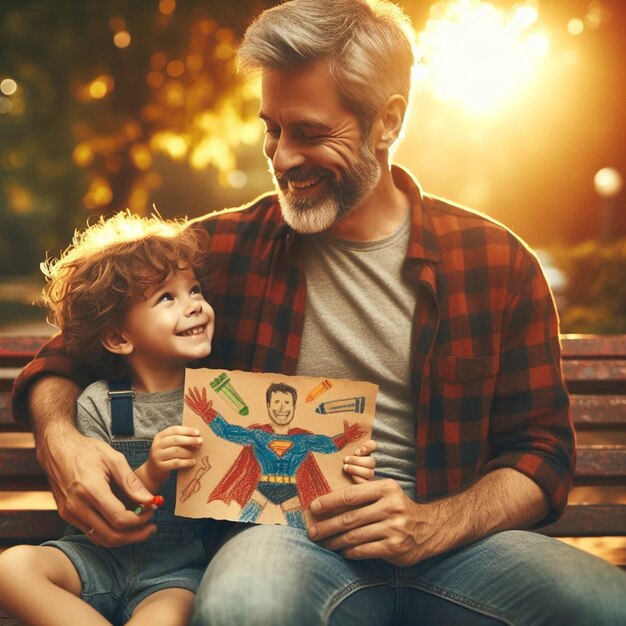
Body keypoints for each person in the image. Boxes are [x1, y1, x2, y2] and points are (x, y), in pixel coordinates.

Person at [10, 0, 626, 624]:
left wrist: (434, 523)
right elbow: (69, 348)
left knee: (607, 605)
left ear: (386, 122)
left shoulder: (496, 263)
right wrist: (60, 437)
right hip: (290, 539)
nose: (279, 157)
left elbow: (541, 452)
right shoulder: (219, 251)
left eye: (309, 132)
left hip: (461, 545)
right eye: (271, 128)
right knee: (244, 606)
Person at [0, 211, 376, 626]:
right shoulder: (98, 404)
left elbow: (282, 460)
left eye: (195, 289)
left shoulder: (226, 404)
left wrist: (345, 464)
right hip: (93, 558)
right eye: (167, 298)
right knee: (11, 569)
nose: (195, 304)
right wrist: (153, 471)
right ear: (119, 337)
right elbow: (106, 511)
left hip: (172, 577)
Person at [185, 381, 367, 527]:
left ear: (294, 407)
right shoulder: (258, 435)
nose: (281, 408)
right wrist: (207, 413)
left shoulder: (303, 439)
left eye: (287, 402)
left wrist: (346, 438)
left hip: (290, 490)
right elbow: (227, 431)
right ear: (268, 405)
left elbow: (329, 446)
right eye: (277, 402)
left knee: (300, 532)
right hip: (263, 487)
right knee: (243, 524)